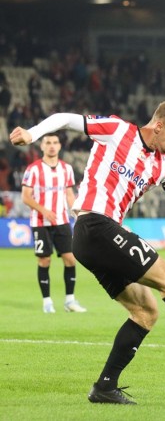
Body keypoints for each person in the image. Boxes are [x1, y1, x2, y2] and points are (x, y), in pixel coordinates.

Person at [10, 98, 165, 405]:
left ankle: (105, 386)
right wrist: (32, 132)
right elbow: (66, 119)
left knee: (146, 312)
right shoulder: (117, 131)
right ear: (159, 125)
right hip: (94, 225)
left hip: (98, 238)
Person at [21, 133, 85, 314]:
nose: (51, 146)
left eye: (55, 142)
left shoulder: (67, 169)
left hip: (62, 220)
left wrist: (77, 215)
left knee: (70, 259)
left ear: (59, 146)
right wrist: (44, 211)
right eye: (47, 143)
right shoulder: (33, 169)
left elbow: (69, 194)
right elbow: (25, 197)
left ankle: (70, 301)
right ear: (42, 147)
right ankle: (47, 301)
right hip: (40, 221)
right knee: (44, 260)